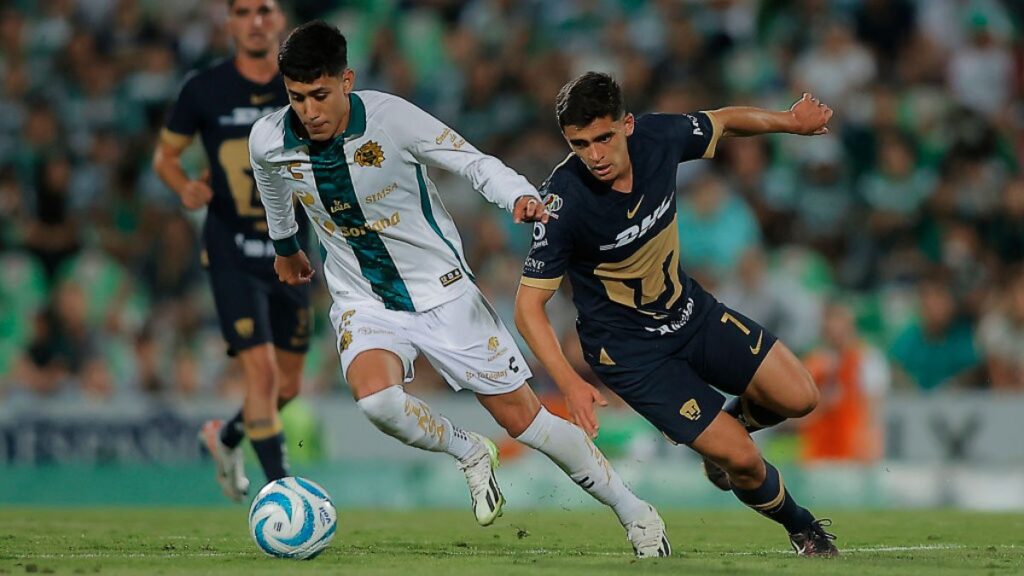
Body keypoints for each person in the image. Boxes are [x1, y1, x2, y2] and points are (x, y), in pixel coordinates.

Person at [250, 21, 670, 558]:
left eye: (319, 95)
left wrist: (517, 194)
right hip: (363, 298)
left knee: (526, 421)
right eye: (296, 97)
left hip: (442, 293)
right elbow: (270, 182)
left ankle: (635, 512)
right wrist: (286, 246)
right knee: (377, 401)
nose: (308, 111)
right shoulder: (269, 138)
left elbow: (471, 161)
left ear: (347, 80)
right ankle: (469, 451)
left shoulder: (391, 119)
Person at [514, 71, 839, 557]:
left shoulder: (657, 138)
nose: (595, 156)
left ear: (626, 124)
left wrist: (789, 123)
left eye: (603, 138)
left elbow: (725, 121)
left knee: (801, 395)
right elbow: (527, 307)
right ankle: (803, 527)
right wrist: (570, 382)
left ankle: (727, 426)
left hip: (691, 313)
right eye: (580, 144)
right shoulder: (563, 203)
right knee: (744, 462)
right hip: (632, 353)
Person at [153, 0, 310, 501]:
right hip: (230, 249)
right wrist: (184, 187)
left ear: (280, 19)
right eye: (243, 11)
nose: (255, 21)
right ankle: (285, 496)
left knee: (286, 387)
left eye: (264, 10)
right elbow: (166, 157)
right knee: (260, 374)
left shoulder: (304, 86)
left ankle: (227, 437)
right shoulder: (205, 89)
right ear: (230, 24)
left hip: (290, 252)